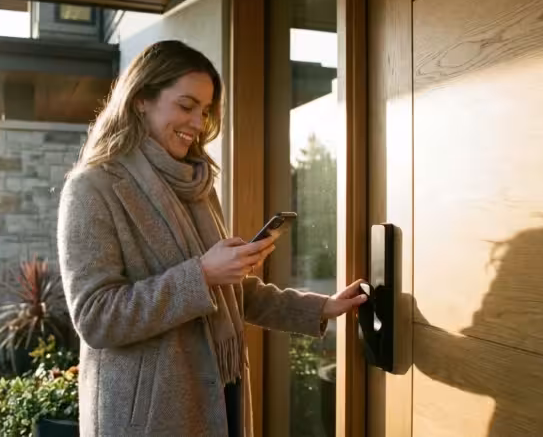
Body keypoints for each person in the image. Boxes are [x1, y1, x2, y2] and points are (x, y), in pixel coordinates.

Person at [57, 40, 367, 437]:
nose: (198, 123)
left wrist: (320, 307)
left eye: (204, 111)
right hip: (147, 418)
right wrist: (201, 274)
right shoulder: (93, 188)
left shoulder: (198, 184)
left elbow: (231, 292)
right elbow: (96, 317)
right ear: (140, 100)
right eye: (186, 106)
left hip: (220, 396)